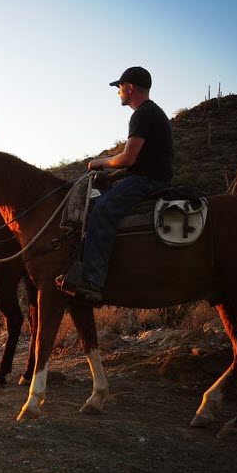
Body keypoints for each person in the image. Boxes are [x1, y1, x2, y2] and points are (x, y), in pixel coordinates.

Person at [61, 66, 173, 302]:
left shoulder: (142, 114)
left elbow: (128, 158)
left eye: (120, 87)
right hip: (147, 176)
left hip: (147, 181)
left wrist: (99, 163)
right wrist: (115, 175)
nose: (119, 92)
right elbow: (140, 160)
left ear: (130, 87)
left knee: (102, 210)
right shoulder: (153, 113)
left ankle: (93, 280)